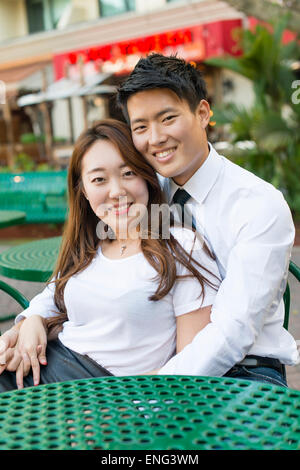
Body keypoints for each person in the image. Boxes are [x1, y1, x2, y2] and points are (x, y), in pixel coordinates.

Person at [114, 53, 299, 386]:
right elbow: (87, 264)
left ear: (202, 113)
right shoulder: (144, 192)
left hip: (244, 370)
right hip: (151, 358)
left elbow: (235, 331)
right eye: (140, 126)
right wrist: (35, 318)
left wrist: (152, 390)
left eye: (167, 118)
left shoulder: (258, 205)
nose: (154, 138)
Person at [0, 118, 220, 392]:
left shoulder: (181, 245)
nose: (116, 191)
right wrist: (30, 322)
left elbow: (193, 366)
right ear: (83, 189)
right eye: (99, 179)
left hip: (107, 398)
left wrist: (123, 406)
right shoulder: (91, 244)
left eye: (128, 173)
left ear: (147, 176)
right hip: (48, 371)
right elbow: (51, 297)